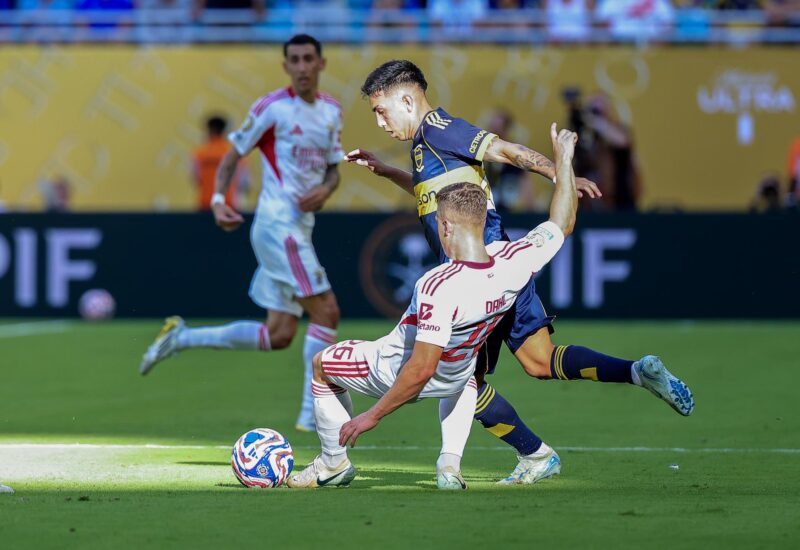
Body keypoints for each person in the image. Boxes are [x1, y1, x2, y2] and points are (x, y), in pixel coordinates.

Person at [345, 60, 692, 483]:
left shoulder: (438, 128)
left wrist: (559, 173)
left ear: (405, 99)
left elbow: (507, 151)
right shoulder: (427, 145)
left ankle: (525, 456)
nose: (380, 122)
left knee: (460, 380)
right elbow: (434, 194)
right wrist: (388, 172)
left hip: (471, 275)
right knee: (539, 361)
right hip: (506, 266)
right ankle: (637, 371)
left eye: (381, 111)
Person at [288, 123, 579, 489]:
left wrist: (372, 415)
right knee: (465, 373)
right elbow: (562, 222)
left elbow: (420, 368)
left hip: (397, 372)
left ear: (446, 226)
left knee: (322, 365)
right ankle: (449, 465)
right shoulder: (514, 260)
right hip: (456, 375)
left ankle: (333, 463)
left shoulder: (438, 285)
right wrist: (563, 161)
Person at [139, 34, 343, 433]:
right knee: (328, 311)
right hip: (278, 226)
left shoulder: (332, 111)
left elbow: (333, 169)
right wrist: (218, 199)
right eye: (295, 60)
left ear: (321, 63)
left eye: (308, 59)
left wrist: (327, 189)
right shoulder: (272, 108)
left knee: (280, 334)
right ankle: (313, 413)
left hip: (300, 227)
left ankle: (181, 338)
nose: (302, 66)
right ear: (286, 66)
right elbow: (233, 155)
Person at [191, 115, 247, 212]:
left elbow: (196, 177)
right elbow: (243, 180)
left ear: (209, 130)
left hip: (206, 203)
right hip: (228, 204)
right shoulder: (233, 153)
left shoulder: (199, 153)